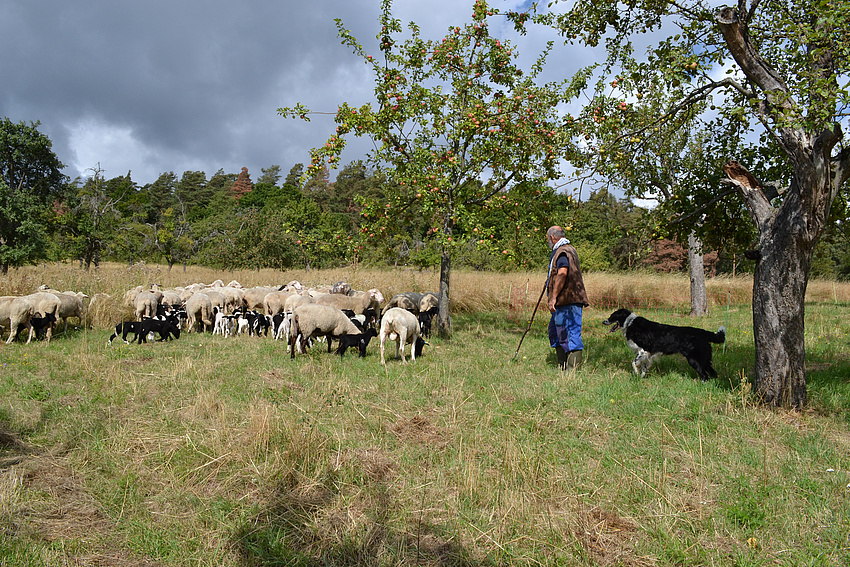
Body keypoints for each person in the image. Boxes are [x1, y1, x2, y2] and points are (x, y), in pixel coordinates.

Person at [545, 225, 589, 370]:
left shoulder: (563, 251)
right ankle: (562, 365)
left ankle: (572, 371)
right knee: (556, 332)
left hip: (568, 300)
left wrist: (553, 297)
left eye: (547, 237)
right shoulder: (565, 249)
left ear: (552, 237)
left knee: (570, 335)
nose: (547, 240)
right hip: (564, 300)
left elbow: (562, 273)